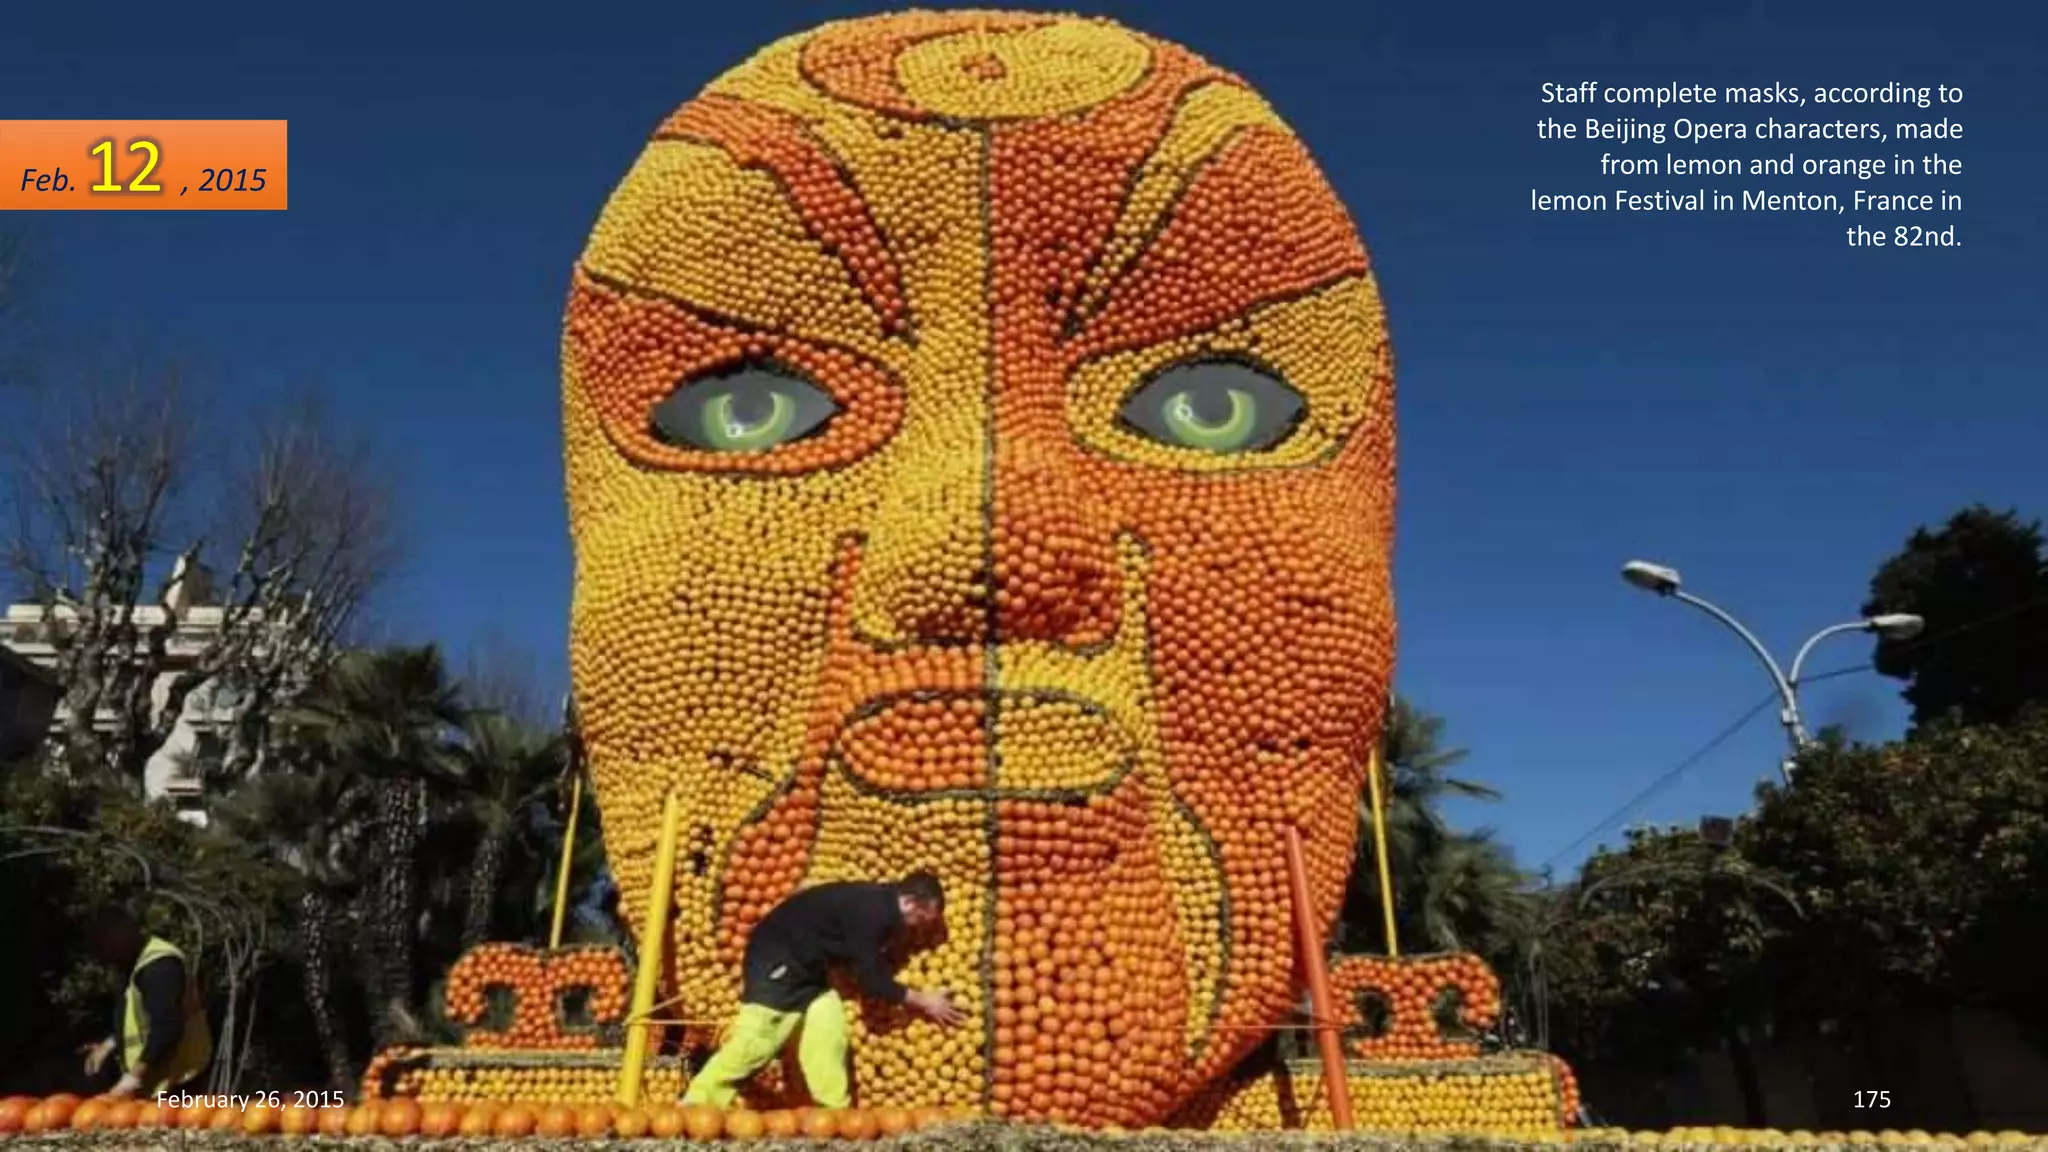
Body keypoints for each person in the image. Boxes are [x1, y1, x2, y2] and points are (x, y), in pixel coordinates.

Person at [681, 871, 964, 1110]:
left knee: (829, 1028)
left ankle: (835, 1116)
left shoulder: (880, 903)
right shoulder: (875, 911)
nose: (921, 928)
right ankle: (695, 1106)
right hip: (776, 962)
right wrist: (925, 1001)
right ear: (911, 902)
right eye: (923, 918)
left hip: (809, 973)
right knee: (758, 1044)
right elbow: (872, 980)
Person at [77, 903, 213, 1098]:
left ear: (121, 931)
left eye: (103, 943)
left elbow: (167, 1027)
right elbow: (138, 1021)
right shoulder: (133, 965)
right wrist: (110, 1044)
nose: (103, 954)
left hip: (179, 1081)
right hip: (154, 1083)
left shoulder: (159, 966)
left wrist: (132, 1079)